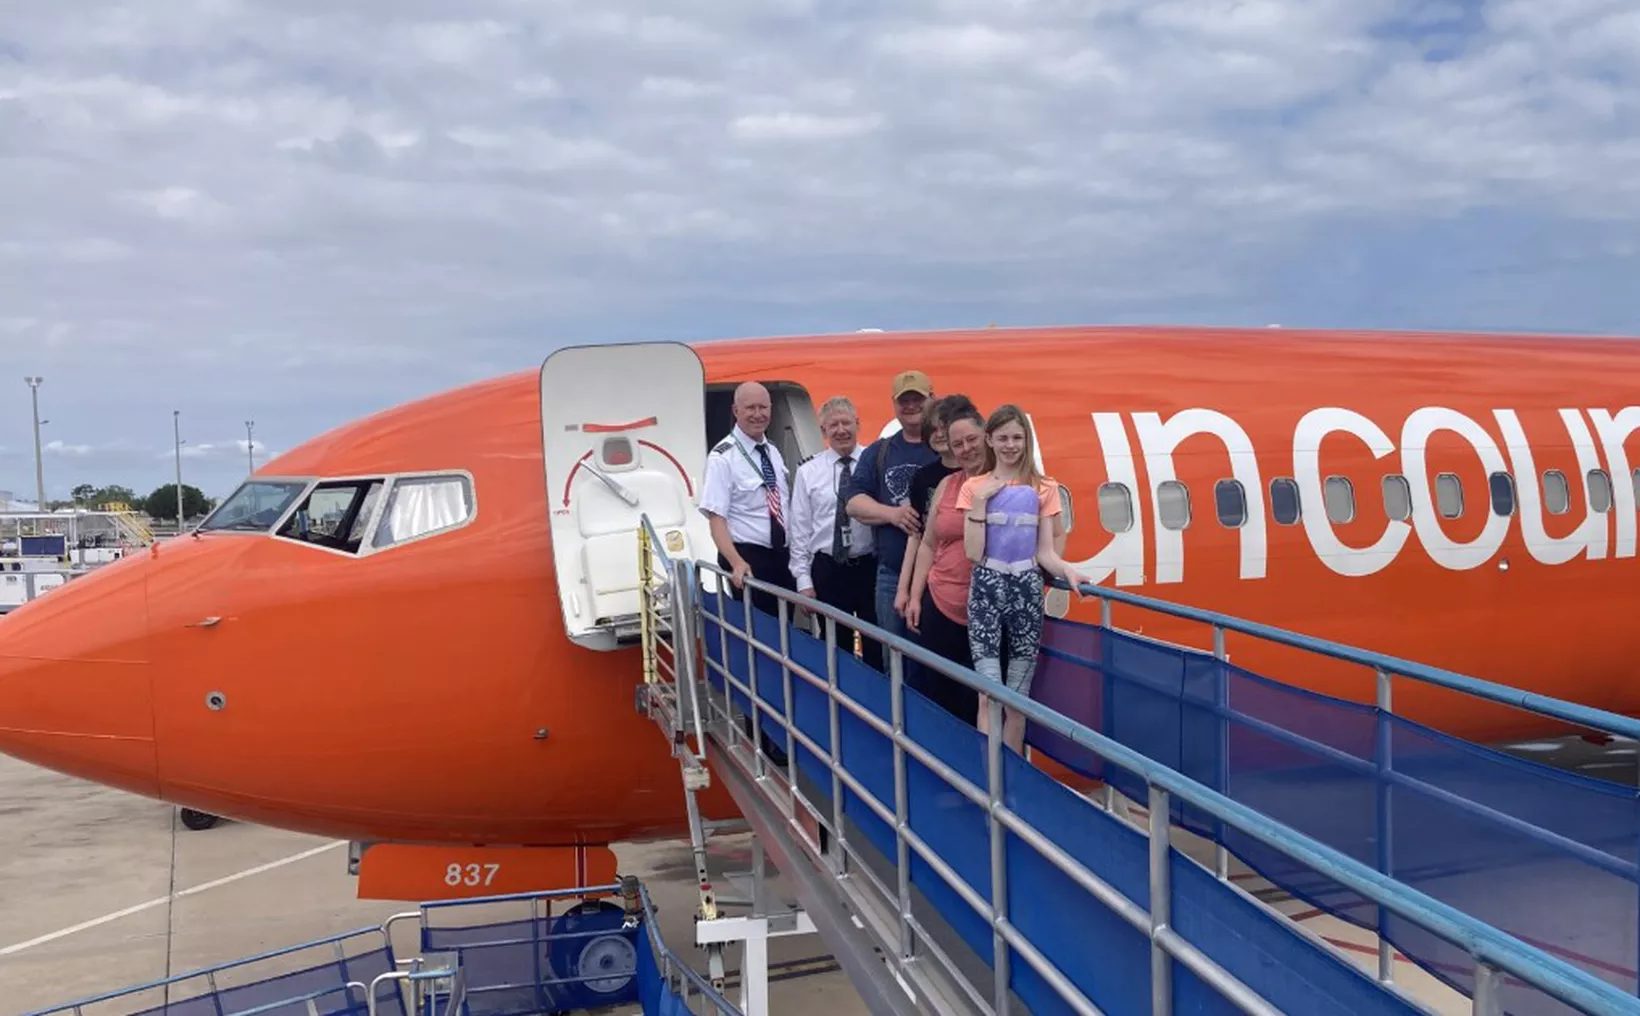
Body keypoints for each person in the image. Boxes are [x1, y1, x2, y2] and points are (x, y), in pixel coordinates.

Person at [958, 404, 1093, 752]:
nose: (1010, 445)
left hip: (1026, 588)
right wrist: (979, 506)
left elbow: (1046, 552)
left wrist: (1068, 571)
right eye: (1002, 437)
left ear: (1026, 440)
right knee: (989, 695)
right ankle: (990, 782)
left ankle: (1012, 778)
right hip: (986, 588)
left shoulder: (1044, 487)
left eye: (1017, 437)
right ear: (990, 440)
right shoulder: (974, 487)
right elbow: (972, 553)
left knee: (1018, 698)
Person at [902, 403, 992, 724]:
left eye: (972, 440)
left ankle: (979, 769)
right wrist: (914, 596)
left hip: (987, 612)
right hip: (940, 603)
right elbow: (927, 543)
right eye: (958, 444)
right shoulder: (947, 485)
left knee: (980, 700)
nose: (966, 449)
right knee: (940, 693)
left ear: (987, 437)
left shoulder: (1006, 484)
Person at [845, 370, 940, 644]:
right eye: (904, 400)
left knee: (935, 658)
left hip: (938, 579)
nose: (911, 406)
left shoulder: (946, 448)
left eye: (917, 399)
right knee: (894, 658)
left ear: (932, 398)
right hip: (891, 573)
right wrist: (893, 514)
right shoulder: (880, 451)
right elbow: (853, 503)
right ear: (894, 405)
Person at [789, 396, 882, 670]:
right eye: (833, 425)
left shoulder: (874, 463)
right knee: (834, 648)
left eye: (846, 423)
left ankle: (876, 706)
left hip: (869, 567)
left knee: (877, 645)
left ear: (858, 424)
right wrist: (803, 581)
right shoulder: (808, 472)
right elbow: (800, 530)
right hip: (829, 569)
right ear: (823, 431)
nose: (841, 430)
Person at [699, 381, 795, 615]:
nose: (758, 414)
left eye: (763, 408)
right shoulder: (722, 458)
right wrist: (736, 562)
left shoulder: (772, 451)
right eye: (750, 408)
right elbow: (716, 520)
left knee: (786, 629)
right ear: (736, 411)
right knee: (762, 634)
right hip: (750, 558)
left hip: (782, 556)